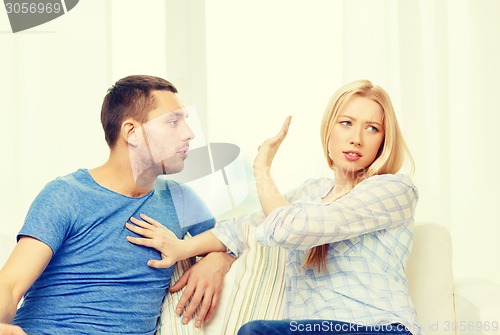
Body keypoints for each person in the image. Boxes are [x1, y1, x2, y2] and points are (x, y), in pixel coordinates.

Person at [125, 79, 422, 334]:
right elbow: (245, 227)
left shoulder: (393, 190)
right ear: (329, 130)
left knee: (257, 332)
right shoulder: (311, 193)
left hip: (380, 328)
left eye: (372, 128)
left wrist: (262, 168)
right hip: (314, 328)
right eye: (346, 123)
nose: (356, 139)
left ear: (384, 140)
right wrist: (181, 248)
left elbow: (291, 228)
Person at [0, 75, 235, 335]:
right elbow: (10, 285)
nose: (189, 134)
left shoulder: (180, 199)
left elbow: (233, 236)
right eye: (173, 122)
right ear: (132, 132)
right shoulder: (66, 194)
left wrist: (219, 259)